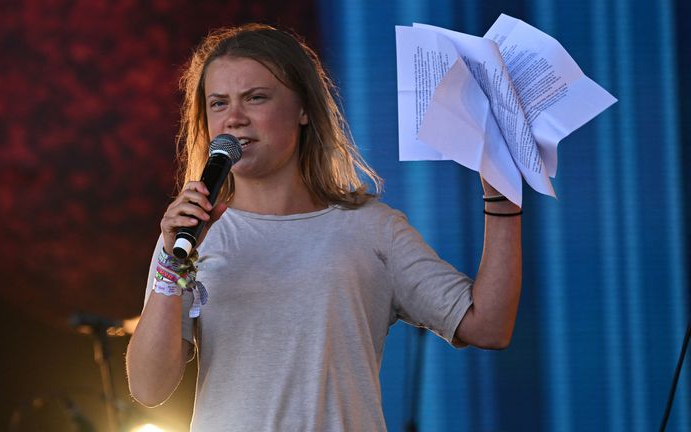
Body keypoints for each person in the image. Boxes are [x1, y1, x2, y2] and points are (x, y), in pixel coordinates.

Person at [126, 23, 522, 431]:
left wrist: (502, 198)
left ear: (303, 110)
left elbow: (488, 326)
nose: (234, 119)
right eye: (218, 103)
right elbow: (148, 387)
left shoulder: (371, 228)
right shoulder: (187, 235)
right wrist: (172, 268)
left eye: (256, 98)